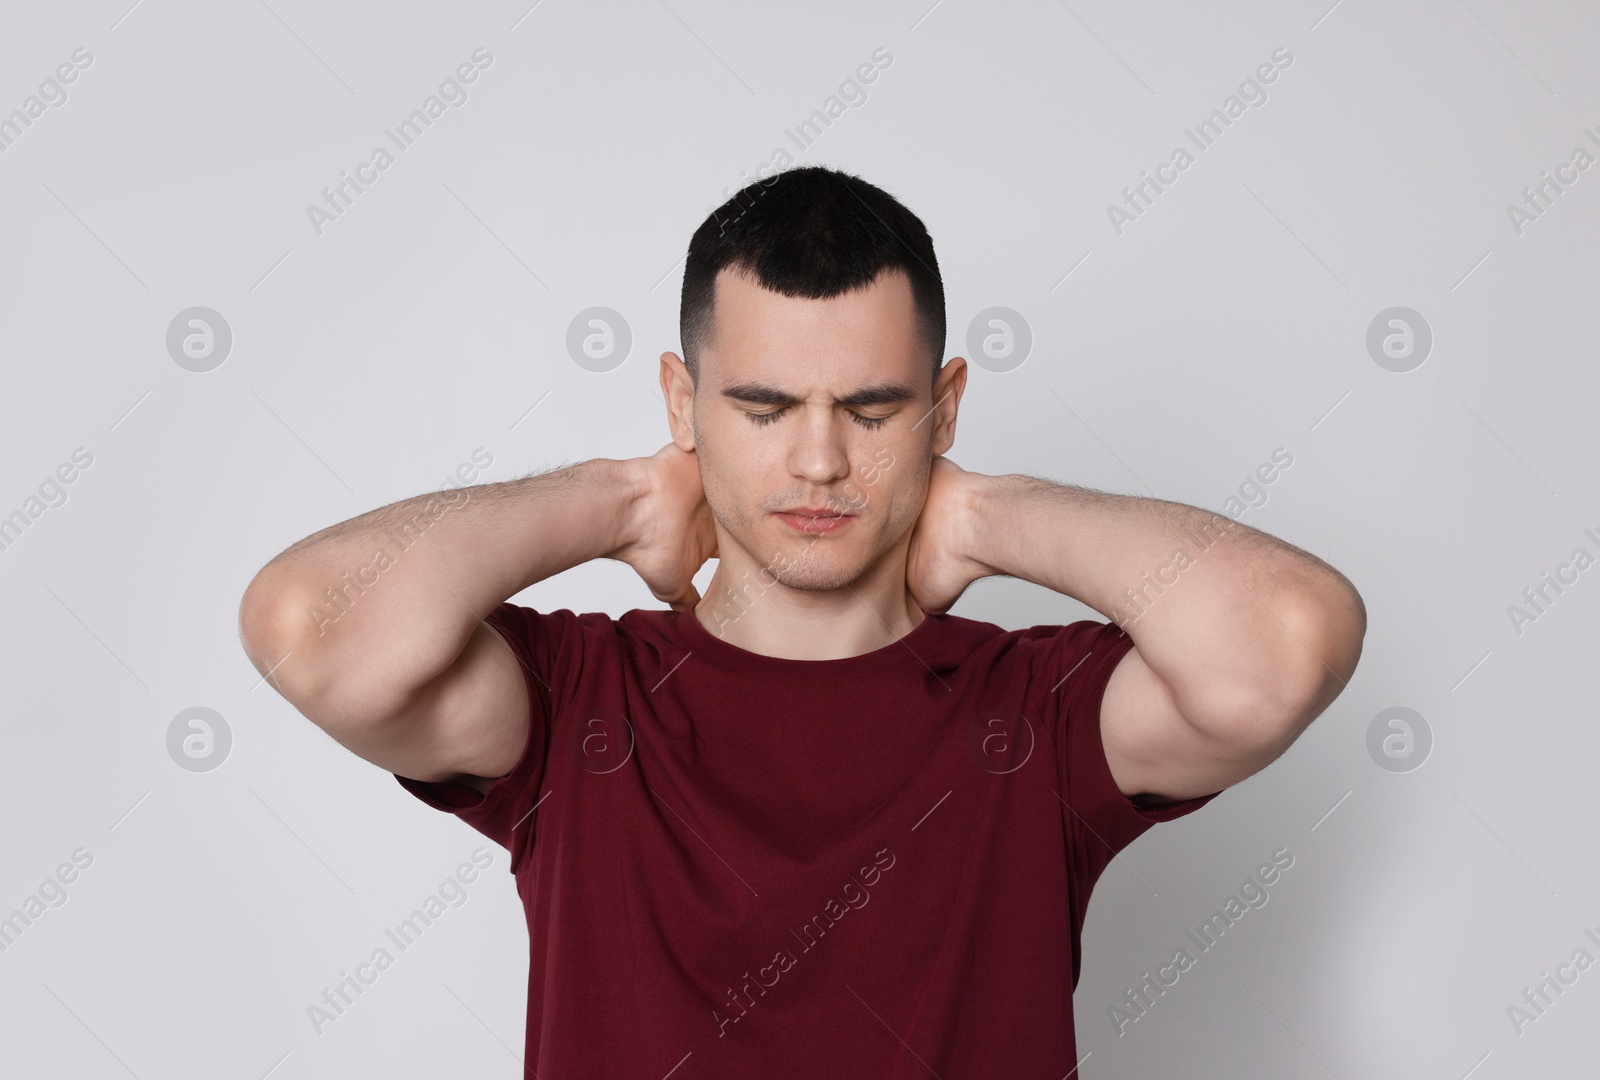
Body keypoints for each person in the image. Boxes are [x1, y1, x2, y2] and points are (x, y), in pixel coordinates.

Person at [238, 165, 1365, 1077]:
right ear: (683, 404)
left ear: (943, 406)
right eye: (762, 407)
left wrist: (987, 515)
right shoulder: (580, 704)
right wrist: (624, 499)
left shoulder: (1032, 717)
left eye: (872, 409)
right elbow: (309, 628)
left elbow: (1286, 645)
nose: (820, 461)